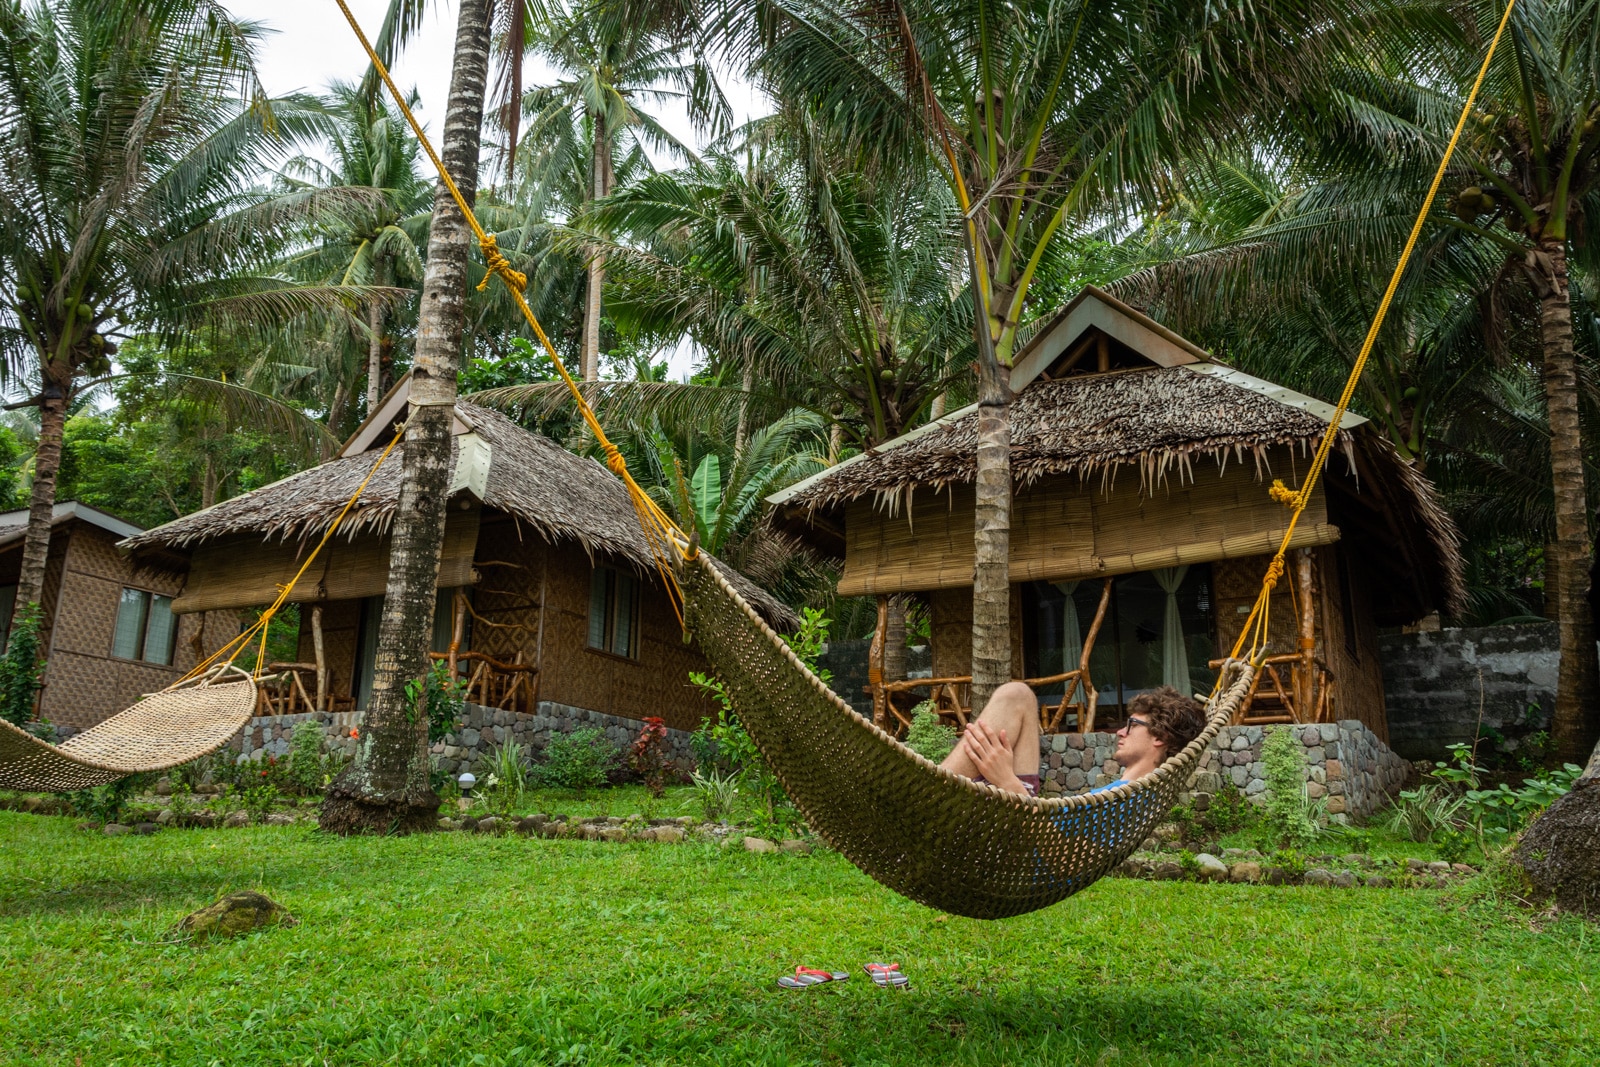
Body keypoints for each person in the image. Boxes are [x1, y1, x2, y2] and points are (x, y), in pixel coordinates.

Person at [939, 683, 1206, 797]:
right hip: (1022, 812)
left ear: (1160, 738)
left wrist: (1006, 781)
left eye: (1132, 725)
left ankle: (927, 797)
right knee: (1018, 696)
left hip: (1016, 839)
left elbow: (1057, 848)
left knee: (1014, 694)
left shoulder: (1128, 798)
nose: (1120, 733)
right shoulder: (1125, 790)